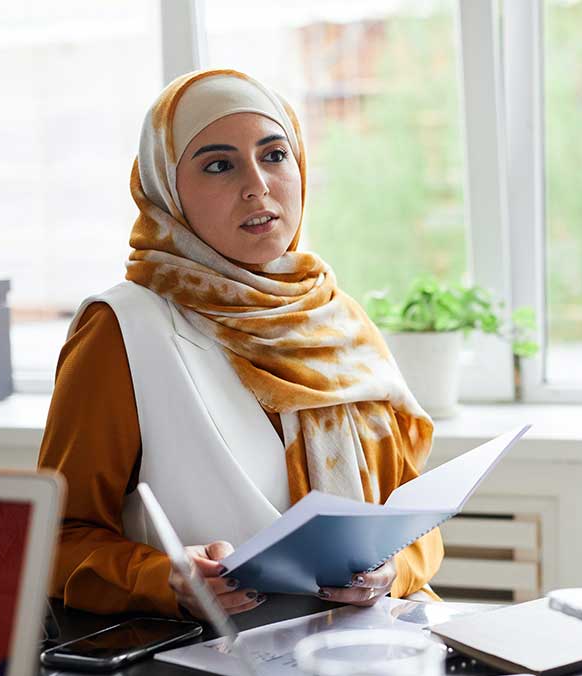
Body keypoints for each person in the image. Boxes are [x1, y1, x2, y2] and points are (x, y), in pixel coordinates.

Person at [38, 69, 442, 619]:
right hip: (215, 653)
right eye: (219, 165)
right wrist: (166, 579)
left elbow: (412, 525)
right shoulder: (122, 330)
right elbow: (54, 540)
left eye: (275, 155)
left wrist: (391, 569)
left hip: (367, 646)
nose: (257, 185)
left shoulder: (337, 323)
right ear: (167, 190)